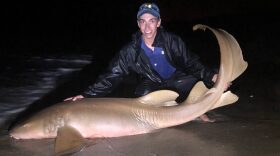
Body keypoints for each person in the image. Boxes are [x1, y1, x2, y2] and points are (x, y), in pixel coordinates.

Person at [65, 3, 223, 122]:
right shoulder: (130, 51)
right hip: (152, 83)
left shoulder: (172, 41)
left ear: (159, 22)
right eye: (143, 21)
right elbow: (112, 75)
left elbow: (191, 63)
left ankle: (197, 109)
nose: (147, 26)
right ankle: (172, 109)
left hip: (177, 78)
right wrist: (86, 95)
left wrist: (212, 77)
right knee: (141, 98)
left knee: (207, 79)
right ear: (138, 23)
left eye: (152, 21)